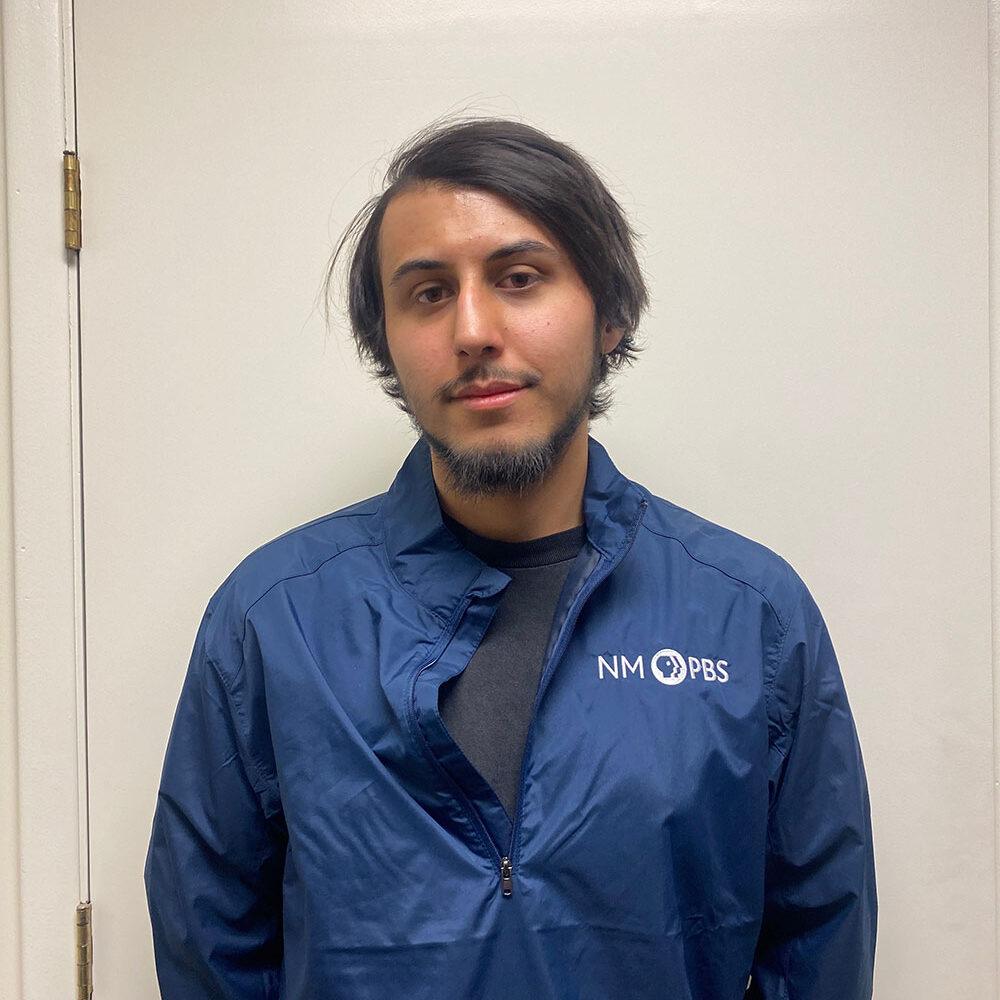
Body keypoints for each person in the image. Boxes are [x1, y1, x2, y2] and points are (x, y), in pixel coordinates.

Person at [145, 118, 876, 1000]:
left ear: (608, 315)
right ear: (387, 343)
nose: (475, 329)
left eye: (519, 279)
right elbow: (209, 947)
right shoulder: (274, 619)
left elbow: (816, 945)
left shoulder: (750, 614)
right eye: (426, 293)